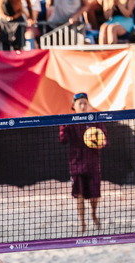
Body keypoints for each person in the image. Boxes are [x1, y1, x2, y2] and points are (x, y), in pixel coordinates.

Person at [59, 92, 105, 233]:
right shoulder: (69, 122)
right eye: (80, 103)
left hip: (93, 164)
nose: (83, 106)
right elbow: (63, 140)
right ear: (74, 106)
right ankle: (82, 223)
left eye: (85, 103)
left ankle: (93, 214)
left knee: (94, 195)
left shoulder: (95, 120)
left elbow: (105, 140)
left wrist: (101, 143)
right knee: (78, 194)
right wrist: (64, 127)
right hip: (76, 165)